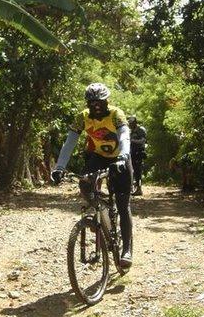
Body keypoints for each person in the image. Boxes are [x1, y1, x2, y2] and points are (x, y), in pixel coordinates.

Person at [51, 83, 134, 268]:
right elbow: (69, 142)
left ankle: (126, 249)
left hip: (120, 158)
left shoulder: (116, 114)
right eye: (92, 103)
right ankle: (102, 209)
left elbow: (124, 137)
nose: (96, 106)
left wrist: (123, 157)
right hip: (99, 156)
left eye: (100, 102)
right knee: (85, 184)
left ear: (107, 101)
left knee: (122, 204)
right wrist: (59, 167)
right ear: (87, 103)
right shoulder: (83, 117)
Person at [128, 115, 147, 196]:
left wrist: (132, 141)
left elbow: (143, 141)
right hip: (132, 153)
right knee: (132, 171)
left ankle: (139, 189)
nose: (130, 125)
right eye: (129, 123)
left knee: (138, 171)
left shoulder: (141, 130)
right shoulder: (131, 131)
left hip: (138, 152)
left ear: (135, 123)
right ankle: (134, 188)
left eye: (131, 123)